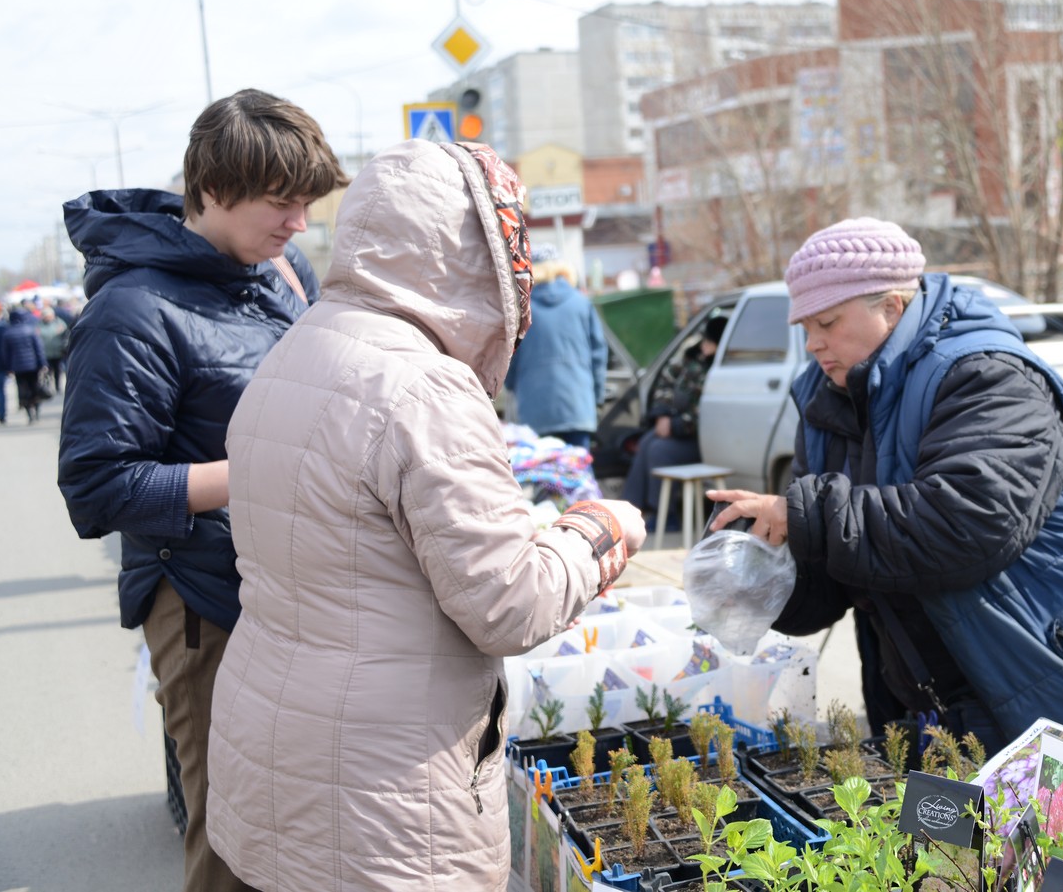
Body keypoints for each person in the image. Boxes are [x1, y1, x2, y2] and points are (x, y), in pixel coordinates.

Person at [205, 139, 646, 892]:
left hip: (273, 753)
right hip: (385, 795)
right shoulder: (424, 387)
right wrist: (601, 530)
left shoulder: (292, 354)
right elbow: (510, 602)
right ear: (473, 252)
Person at [709, 217, 1063, 780]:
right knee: (960, 867)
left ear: (892, 307)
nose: (813, 343)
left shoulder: (987, 376)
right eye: (805, 325)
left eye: (827, 321)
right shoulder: (829, 400)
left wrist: (806, 515)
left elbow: (966, 526)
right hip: (946, 705)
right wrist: (765, 569)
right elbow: (846, 563)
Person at [56, 88, 346, 892]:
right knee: (235, 835)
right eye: (280, 204)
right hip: (202, 602)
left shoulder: (281, 272)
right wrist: (264, 469)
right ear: (212, 190)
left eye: (306, 205)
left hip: (286, 586)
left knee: (300, 821)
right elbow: (97, 484)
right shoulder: (133, 310)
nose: (298, 223)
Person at [620, 313, 727, 529]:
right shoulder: (693, 357)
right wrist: (663, 415)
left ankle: (665, 516)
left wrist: (676, 426)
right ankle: (631, 510)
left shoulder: (718, 371)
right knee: (648, 441)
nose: (704, 346)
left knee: (659, 450)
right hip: (676, 427)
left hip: (698, 437)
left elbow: (706, 413)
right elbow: (666, 381)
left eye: (709, 342)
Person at [503, 243, 608, 449]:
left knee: (545, 474)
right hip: (578, 404)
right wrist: (596, 395)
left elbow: (509, 359)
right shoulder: (581, 303)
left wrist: (515, 386)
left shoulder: (522, 311)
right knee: (578, 472)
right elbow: (599, 354)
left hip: (535, 406)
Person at [0, 306, 47, 422]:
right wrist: (43, 363)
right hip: (33, 366)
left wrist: (8, 367)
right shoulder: (31, 330)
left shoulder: (8, 333)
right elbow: (39, 349)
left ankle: (29, 412)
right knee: (35, 387)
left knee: (23, 389)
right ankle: (36, 409)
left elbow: (5, 353)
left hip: (18, 367)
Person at [38, 306, 70, 394]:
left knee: (58, 370)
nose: (48, 317)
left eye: (49, 315)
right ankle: (49, 386)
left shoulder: (59, 323)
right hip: (46, 352)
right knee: (48, 371)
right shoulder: (39, 325)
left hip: (58, 352)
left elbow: (66, 335)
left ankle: (57, 386)